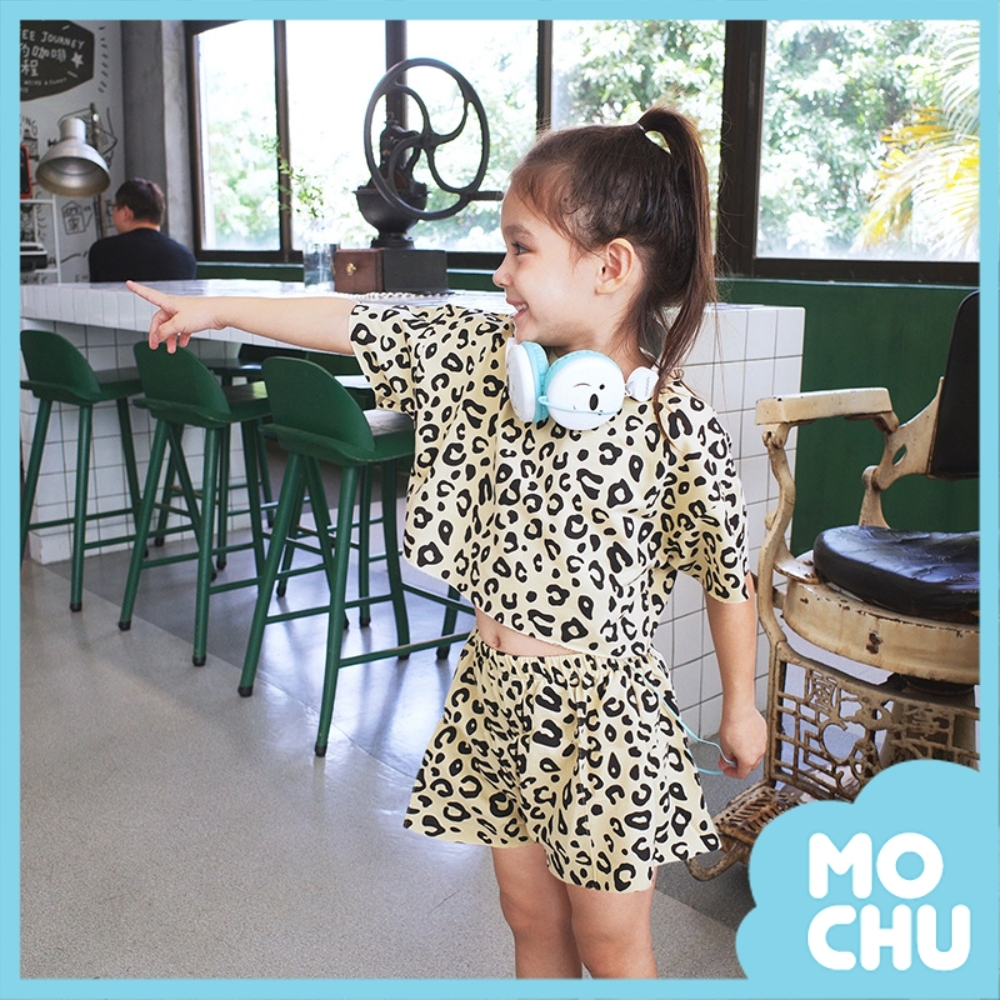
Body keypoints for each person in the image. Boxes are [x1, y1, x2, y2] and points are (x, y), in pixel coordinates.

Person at [127, 105, 767, 980]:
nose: (500, 272)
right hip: (496, 693)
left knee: (612, 945)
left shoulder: (675, 424)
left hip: (606, 720)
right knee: (529, 921)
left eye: (521, 249)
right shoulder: (482, 356)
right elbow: (356, 323)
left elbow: (729, 577)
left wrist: (739, 705)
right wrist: (213, 310)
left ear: (611, 266)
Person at [88, 178, 197, 282]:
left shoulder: (103, 251)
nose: (112, 215)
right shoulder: (185, 257)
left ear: (126, 213)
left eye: (114, 208)